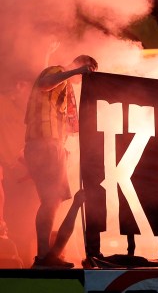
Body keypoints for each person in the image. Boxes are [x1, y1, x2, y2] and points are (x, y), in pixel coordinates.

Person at [24, 55, 98, 268]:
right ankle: (44, 257)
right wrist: (75, 71)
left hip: (48, 144)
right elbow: (44, 85)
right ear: (82, 64)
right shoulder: (57, 72)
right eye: (88, 71)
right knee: (50, 201)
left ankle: (46, 256)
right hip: (45, 144)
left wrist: (62, 146)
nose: (85, 77)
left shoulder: (65, 85)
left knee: (53, 201)